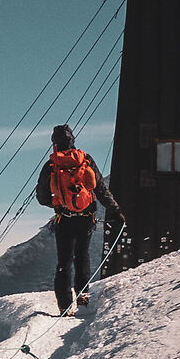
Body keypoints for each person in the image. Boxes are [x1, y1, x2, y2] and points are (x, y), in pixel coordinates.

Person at [34, 124, 123, 315]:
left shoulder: (52, 164)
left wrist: (58, 203)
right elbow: (100, 189)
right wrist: (115, 210)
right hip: (86, 217)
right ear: (72, 140)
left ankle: (64, 307)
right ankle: (83, 300)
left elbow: (41, 197)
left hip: (64, 219)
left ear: (54, 143)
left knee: (63, 262)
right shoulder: (85, 159)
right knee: (82, 257)